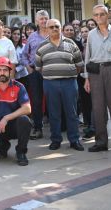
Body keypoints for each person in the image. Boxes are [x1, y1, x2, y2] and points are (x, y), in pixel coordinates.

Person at [83, 4, 111, 156]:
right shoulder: (90, 34)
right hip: (96, 73)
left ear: (107, 15)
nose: (99, 17)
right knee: (98, 109)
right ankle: (101, 142)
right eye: (96, 15)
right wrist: (86, 78)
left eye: (102, 14)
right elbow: (87, 57)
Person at [35, 19, 84, 151]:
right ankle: (56, 140)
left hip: (70, 82)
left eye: (57, 26)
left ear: (61, 28)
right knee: (53, 113)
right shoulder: (41, 46)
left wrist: (69, 73)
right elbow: (38, 67)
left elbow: (79, 64)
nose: (54, 29)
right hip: (50, 83)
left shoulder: (71, 43)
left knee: (72, 113)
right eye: (51, 27)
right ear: (46, 29)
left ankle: (74, 140)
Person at [0, 57, 32, 165]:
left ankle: (21, 152)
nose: (2, 73)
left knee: (25, 120)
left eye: (5, 70)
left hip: (13, 125)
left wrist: (6, 118)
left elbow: (27, 108)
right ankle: (4, 146)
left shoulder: (19, 87)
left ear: (10, 71)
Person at [19, 10, 51, 140]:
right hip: (35, 72)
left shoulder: (54, 34)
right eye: (41, 19)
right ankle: (38, 128)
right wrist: (28, 67)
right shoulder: (32, 37)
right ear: (37, 21)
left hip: (51, 72)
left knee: (52, 101)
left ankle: (56, 128)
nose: (43, 21)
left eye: (45, 18)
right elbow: (24, 55)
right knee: (37, 101)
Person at [78, 25, 95, 139]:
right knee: (85, 103)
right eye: (82, 31)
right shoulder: (80, 44)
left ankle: (94, 127)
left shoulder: (94, 43)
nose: (84, 33)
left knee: (95, 103)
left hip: (94, 75)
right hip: (82, 77)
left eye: (86, 31)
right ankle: (88, 124)